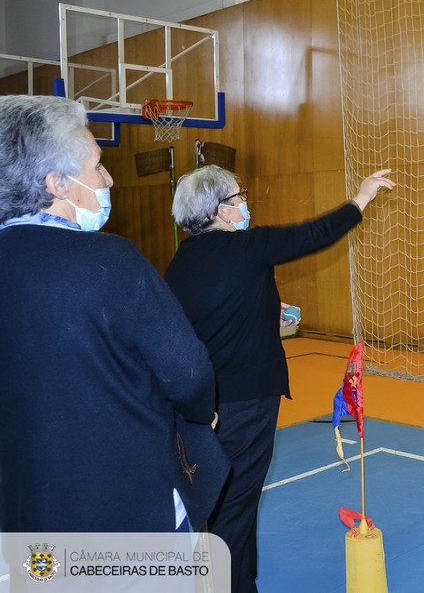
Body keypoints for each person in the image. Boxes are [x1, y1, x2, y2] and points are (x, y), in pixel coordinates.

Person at [0, 95, 225, 534]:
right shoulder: (109, 259)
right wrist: (201, 413)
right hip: (123, 501)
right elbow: (188, 370)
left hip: (24, 508)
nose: (109, 178)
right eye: (98, 165)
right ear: (57, 183)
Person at [165, 164, 395, 592]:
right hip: (246, 402)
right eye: (239, 197)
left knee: (218, 504)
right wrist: (361, 198)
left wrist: (270, 308)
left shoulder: (182, 261)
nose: (244, 203)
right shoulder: (247, 247)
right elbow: (313, 233)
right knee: (235, 507)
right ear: (222, 210)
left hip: (200, 406)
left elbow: (206, 315)